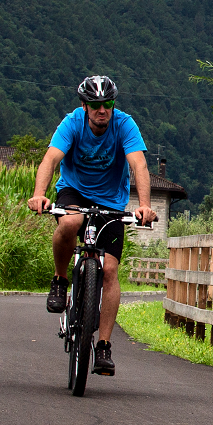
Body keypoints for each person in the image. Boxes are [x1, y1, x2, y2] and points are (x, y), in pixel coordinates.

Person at [27, 75, 157, 376]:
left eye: (108, 104)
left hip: (111, 201)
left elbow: (138, 165)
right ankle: (60, 280)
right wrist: (38, 195)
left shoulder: (124, 124)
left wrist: (144, 205)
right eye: (96, 105)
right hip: (74, 190)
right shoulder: (72, 122)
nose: (103, 111)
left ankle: (103, 347)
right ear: (85, 106)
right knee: (70, 221)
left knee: (110, 270)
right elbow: (50, 160)